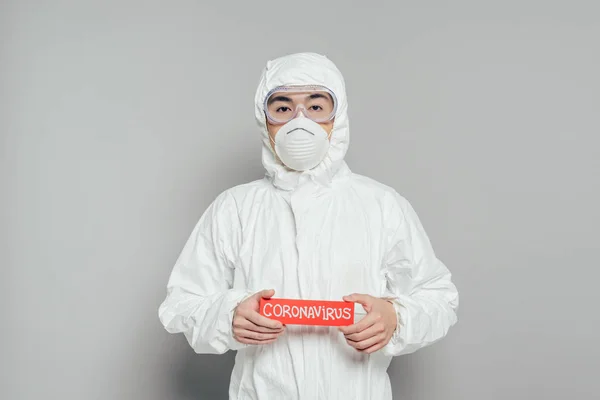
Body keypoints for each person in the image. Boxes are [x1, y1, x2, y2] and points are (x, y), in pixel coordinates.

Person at [158, 52, 459, 400]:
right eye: (283, 108)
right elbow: (181, 304)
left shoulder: (381, 205)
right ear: (264, 119)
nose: (299, 122)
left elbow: (438, 298)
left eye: (316, 107)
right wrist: (226, 316)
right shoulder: (235, 208)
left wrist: (395, 318)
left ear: (338, 117)